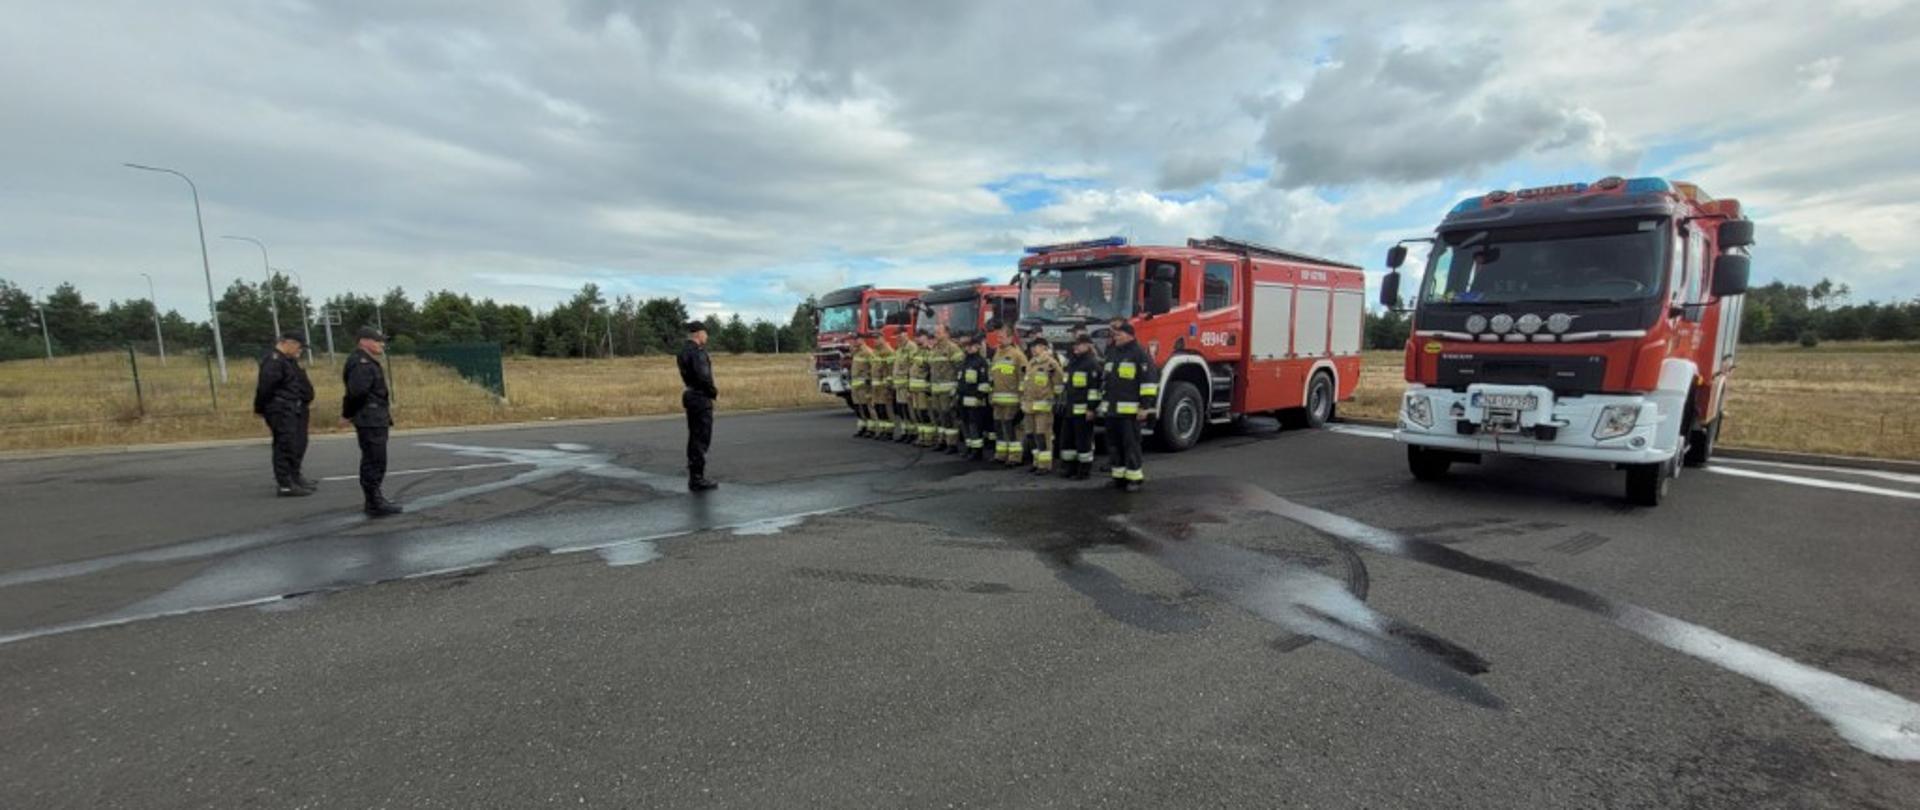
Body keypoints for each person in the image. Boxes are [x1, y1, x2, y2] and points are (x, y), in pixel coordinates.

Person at [341, 326, 402, 516]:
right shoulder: (361, 363)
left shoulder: (365, 361)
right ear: (364, 341)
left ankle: (375, 498)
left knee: (376, 459)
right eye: (377, 340)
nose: (381, 344)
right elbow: (357, 393)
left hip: (374, 417)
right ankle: (374, 502)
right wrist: (347, 414)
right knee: (374, 460)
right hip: (370, 418)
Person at [254, 331, 315, 497]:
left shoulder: (287, 361)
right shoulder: (274, 361)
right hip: (280, 409)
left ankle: (293, 477)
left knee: (294, 444)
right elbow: (265, 388)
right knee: (284, 445)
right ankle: (285, 484)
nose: (300, 350)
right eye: (299, 347)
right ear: (289, 343)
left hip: (291, 408)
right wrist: (260, 408)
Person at [1101, 322, 1157, 491]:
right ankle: (1119, 477)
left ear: (1130, 335)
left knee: (1130, 445)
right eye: (1115, 335)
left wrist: (1144, 406)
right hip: (1111, 411)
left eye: (1119, 334)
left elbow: (1148, 382)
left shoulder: (1139, 354)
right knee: (1114, 446)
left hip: (1129, 413)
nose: (1115, 337)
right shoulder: (1113, 353)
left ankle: (1134, 478)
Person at [678, 320, 720, 491]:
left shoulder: (683, 351)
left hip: (690, 394)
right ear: (698, 334)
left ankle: (694, 475)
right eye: (705, 333)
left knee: (694, 436)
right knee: (701, 437)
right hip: (700, 397)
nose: (706, 337)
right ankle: (697, 478)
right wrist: (713, 391)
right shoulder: (698, 353)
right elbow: (703, 376)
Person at [1061, 333, 1103, 480]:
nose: (1076, 347)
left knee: (1083, 442)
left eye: (1079, 344)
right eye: (1075, 344)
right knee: (1067, 440)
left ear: (1088, 346)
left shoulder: (1091, 364)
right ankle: (1070, 468)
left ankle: (1084, 470)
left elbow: (1095, 390)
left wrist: (1091, 408)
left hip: (1083, 411)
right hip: (1070, 410)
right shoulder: (1072, 363)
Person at [987, 319, 1026, 466]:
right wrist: (991, 394)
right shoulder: (997, 354)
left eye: (1002, 337)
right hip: (997, 400)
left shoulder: (1017, 355)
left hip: (1012, 400)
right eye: (998, 337)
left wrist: (1022, 399)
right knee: (999, 427)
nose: (999, 339)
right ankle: (1001, 454)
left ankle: (1015, 457)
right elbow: (992, 377)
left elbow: (1024, 379)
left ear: (1010, 338)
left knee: (1012, 429)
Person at [1022, 337, 1063, 475]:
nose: (1033, 349)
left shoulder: (1051, 364)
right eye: (1032, 347)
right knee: (1031, 435)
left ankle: (1045, 464)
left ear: (1044, 348)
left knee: (1043, 435)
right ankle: (1036, 461)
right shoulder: (1031, 362)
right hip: (1029, 406)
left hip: (1043, 407)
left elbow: (1059, 384)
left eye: (1037, 346)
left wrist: (1055, 400)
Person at [928, 325, 963, 453]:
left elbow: (960, 368)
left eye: (939, 332)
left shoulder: (953, 348)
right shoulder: (934, 349)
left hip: (948, 390)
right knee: (939, 416)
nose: (936, 334)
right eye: (935, 332)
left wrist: (957, 388)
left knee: (949, 416)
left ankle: (952, 444)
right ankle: (941, 440)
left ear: (947, 334)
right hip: (936, 389)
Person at [957, 333, 992, 460]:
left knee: (975, 426)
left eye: (971, 346)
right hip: (963, 399)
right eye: (967, 346)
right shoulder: (965, 361)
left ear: (977, 346)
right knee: (965, 424)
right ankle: (969, 447)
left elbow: (984, 383)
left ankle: (977, 451)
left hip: (975, 401)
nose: (968, 348)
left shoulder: (980, 362)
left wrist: (979, 397)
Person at [890, 329, 918, 443]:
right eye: (897, 337)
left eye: (900, 337)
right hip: (899, 385)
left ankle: (913, 433)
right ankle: (905, 432)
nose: (898, 339)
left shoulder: (911, 347)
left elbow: (913, 367)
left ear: (905, 335)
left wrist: (910, 386)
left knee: (909, 410)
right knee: (902, 410)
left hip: (906, 385)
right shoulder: (899, 349)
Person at [908, 332, 935, 448]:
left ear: (926, 339)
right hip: (914, 388)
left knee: (925, 413)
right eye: (917, 337)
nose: (917, 339)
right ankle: (921, 436)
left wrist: (929, 388)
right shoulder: (916, 352)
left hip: (924, 389)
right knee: (917, 413)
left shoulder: (930, 352)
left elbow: (931, 370)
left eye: (920, 337)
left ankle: (929, 438)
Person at [869, 332, 897, 441]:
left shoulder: (888, 352)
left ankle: (889, 431)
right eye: (874, 339)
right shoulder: (875, 351)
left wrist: (888, 385)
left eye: (877, 339)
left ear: (882, 338)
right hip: (876, 386)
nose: (875, 341)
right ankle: (883, 430)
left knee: (886, 409)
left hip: (884, 386)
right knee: (878, 408)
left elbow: (891, 370)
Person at [849, 336, 874, 438]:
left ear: (862, 340)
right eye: (854, 340)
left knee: (866, 407)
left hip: (863, 385)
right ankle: (862, 427)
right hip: (855, 385)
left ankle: (871, 429)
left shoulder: (868, 352)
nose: (854, 341)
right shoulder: (856, 352)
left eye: (857, 339)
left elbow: (873, 367)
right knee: (858, 408)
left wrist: (868, 379)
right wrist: (852, 348)